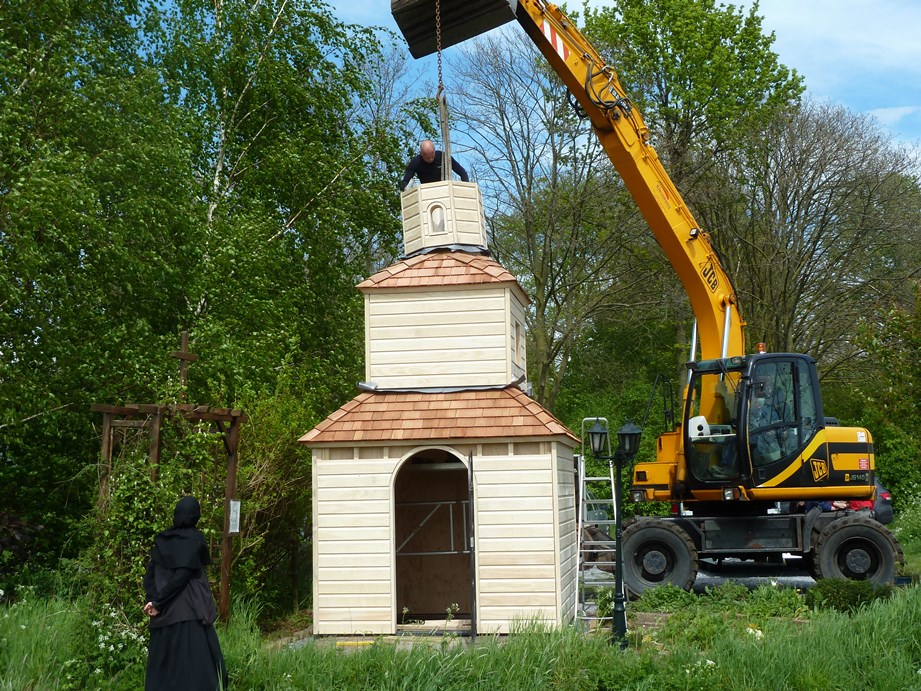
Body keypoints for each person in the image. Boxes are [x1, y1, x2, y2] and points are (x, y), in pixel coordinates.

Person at [143, 496, 228, 691]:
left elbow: (150, 575)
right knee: (195, 672)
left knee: (163, 672)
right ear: (195, 516)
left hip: (163, 615)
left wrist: (153, 601)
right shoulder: (194, 539)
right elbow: (181, 576)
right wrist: (157, 602)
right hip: (189, 612)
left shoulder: (163, 540)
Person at [399, 139, 469, 191]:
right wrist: (404, 188)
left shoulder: (443, 157)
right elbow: (405, 180)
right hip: (427, 191)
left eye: (432, 156)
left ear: (434, 150)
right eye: (427, 158)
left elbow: (462, 173)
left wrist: (467, 188)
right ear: (421, 153)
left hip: (444, 189)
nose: (430, 159)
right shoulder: (416, 162)